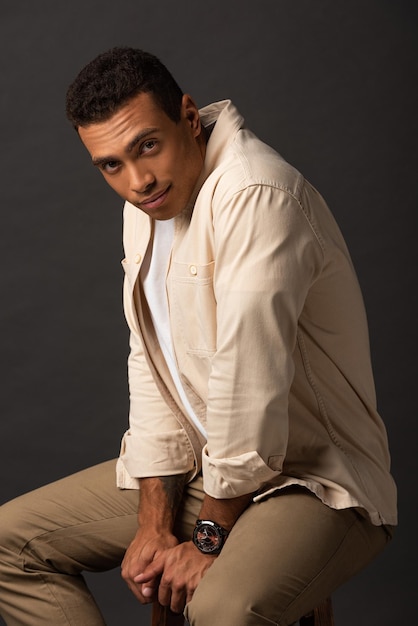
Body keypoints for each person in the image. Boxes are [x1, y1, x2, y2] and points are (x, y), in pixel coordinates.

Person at [0, 47, 397, 626]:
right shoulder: (149, 204)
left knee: (219, 608)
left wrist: (207, 540)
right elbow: (151, 362)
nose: (137, 181)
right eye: (110, 165)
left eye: (147, 146)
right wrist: (153, 523)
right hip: (206, 471)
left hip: (313, 481)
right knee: (12, 544)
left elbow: (248, 389)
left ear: (189, 118)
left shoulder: (257, 195)